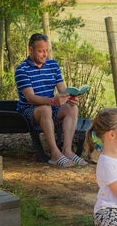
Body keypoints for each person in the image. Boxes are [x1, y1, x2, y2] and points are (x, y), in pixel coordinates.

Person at [15, 33, 82, 167]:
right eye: (40, 51)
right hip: (30, 111)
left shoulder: (53, 65)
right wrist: (52, 101)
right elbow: (31, 98)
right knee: (45, 109)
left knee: (72, 108)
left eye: (46, 51)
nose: (44, 54)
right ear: (30, 50)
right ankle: (54, 154)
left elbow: (62, 89)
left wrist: (72, 97)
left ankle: (67, 150)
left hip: (52, 108)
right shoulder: (22, 70)